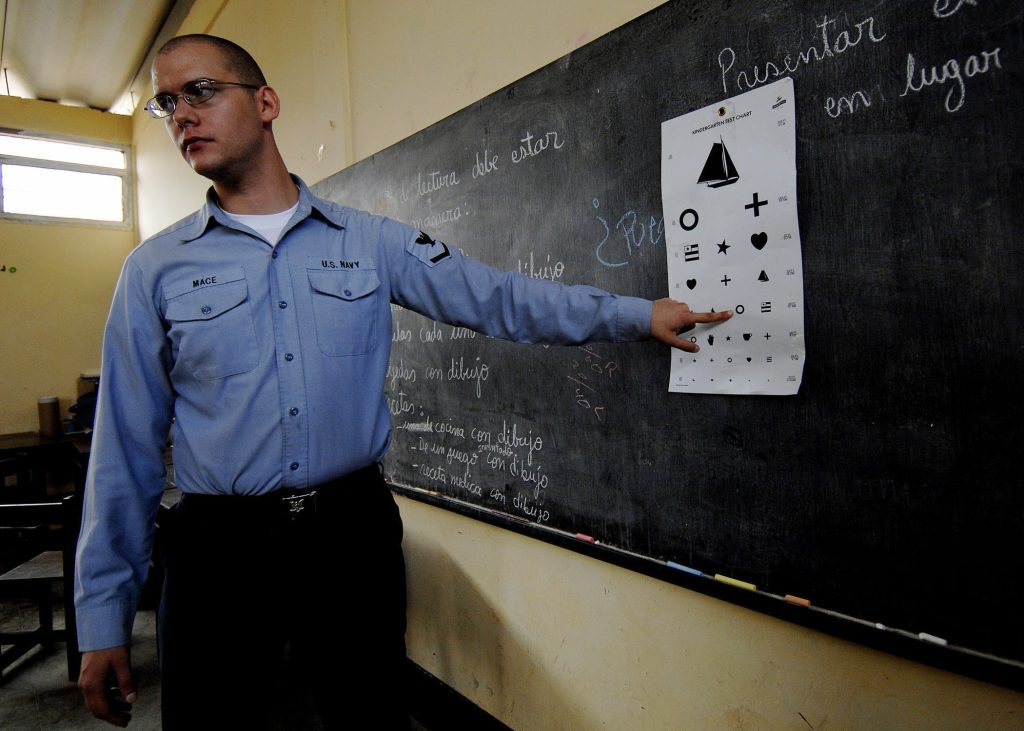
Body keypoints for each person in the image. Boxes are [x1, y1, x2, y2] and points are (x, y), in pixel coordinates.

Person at [74, 34, 731, 729]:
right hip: (219, 550)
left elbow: (499, 298)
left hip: (348, 534)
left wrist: (636, 313)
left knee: (371, 718)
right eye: (166, 102)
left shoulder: (371, 242)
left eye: (201, 91)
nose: (181, 115)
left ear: (265, 102)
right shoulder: (154, 270)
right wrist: (102, 615)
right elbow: (124, 450)